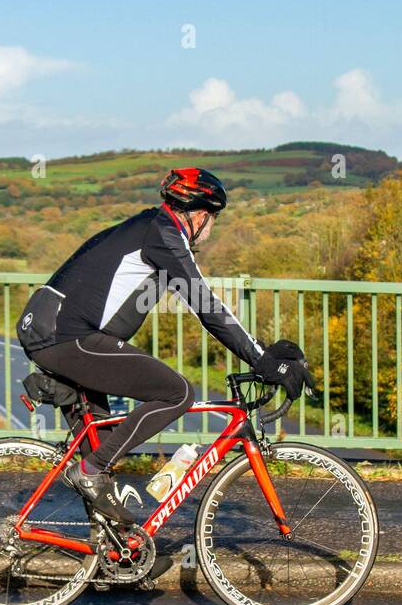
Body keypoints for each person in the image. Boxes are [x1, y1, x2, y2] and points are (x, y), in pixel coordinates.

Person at [16, 168, 311, 526]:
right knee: (178, 392)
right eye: (214, 219)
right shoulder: (165, 237)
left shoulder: (149, 227)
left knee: (104, 448)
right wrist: (264, 361)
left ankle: (115, 554)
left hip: (54, 331)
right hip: (67, 337)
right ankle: (91, 471)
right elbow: (206, 305)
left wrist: (258, 349)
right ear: (201, 215)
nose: (212, 227)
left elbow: (205, 308)